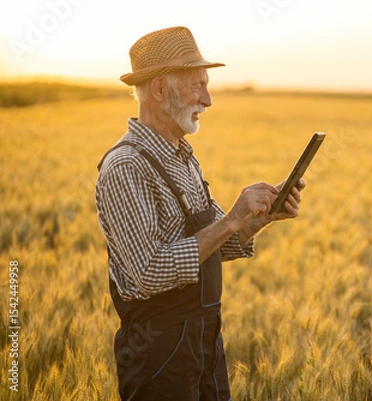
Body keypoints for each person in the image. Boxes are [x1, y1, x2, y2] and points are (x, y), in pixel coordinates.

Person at [95, 26, 305, 401]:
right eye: (198, 86)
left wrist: (258, 220)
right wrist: (229, 220)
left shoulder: (182, 155)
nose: (208, 100)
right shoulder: (126, 166)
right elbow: (148, 273)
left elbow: (215, 244)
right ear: (159, 90)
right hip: (157, 352)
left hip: (204, 338)